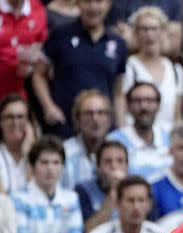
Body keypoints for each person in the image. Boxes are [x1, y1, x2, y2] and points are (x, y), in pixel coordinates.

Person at [32, 0, 128, 138]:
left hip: (103, 128)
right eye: (87, 2)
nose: (93, 7)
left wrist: (122, 128)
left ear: (108, 5)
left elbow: (118, 92)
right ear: (78, 4)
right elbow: (38, 74)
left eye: (99, 2)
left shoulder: (118, 43)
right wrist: (48, 106)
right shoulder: (60, 35)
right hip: (65, 126)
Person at [13, 135, 84, 233]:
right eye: (44, 162)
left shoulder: (71, 199)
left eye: (56, 162)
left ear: (63, 166)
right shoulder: (19, 199)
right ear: (32, 167)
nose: (50, 168)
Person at [122, 6, 183, 127]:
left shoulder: (176, 70)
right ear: (136, 33)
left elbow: (177, 115)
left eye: (154, 28)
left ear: (162, 32)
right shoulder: (128, 67)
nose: (149, 34)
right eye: (144, 29)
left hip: (167, 140)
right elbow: (123, 108)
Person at [106, 82, 172, 181]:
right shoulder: (113, 141)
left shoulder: (171, 138)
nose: (144, 106)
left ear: (158, 106)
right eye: (137, 101)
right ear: (128, 107)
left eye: (149, 100)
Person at [86, 175, 166, 233]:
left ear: (149, 204)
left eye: (141, 200)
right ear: (117, 203)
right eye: (130, 200)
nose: (136, 207)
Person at [75, 140, 129, 233]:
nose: (114, 166)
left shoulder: (138, 189)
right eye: (108, 162)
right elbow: (87, 232)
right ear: (98, 167)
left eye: (120, 161)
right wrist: (114, 190)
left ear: (127, 166)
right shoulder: (82, 191)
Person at [62, 90, 113, 189]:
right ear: (77, 119)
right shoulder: (65, 153)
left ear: (109, 119)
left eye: (101, 113)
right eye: (88, 113)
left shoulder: (120, 152)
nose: (95, 119)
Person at [0, 0, 47, 100]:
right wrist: (14, 56)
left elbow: (42, 45)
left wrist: (33, 60)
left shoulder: (37, 8)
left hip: (19, 95)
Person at [0, 94, 36, 194]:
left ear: (29, 122)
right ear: (1, 122)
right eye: (9, 117)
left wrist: (29, 155)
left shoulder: (39, 156)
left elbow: (38, 196)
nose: (15, 122)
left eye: (20, 117)